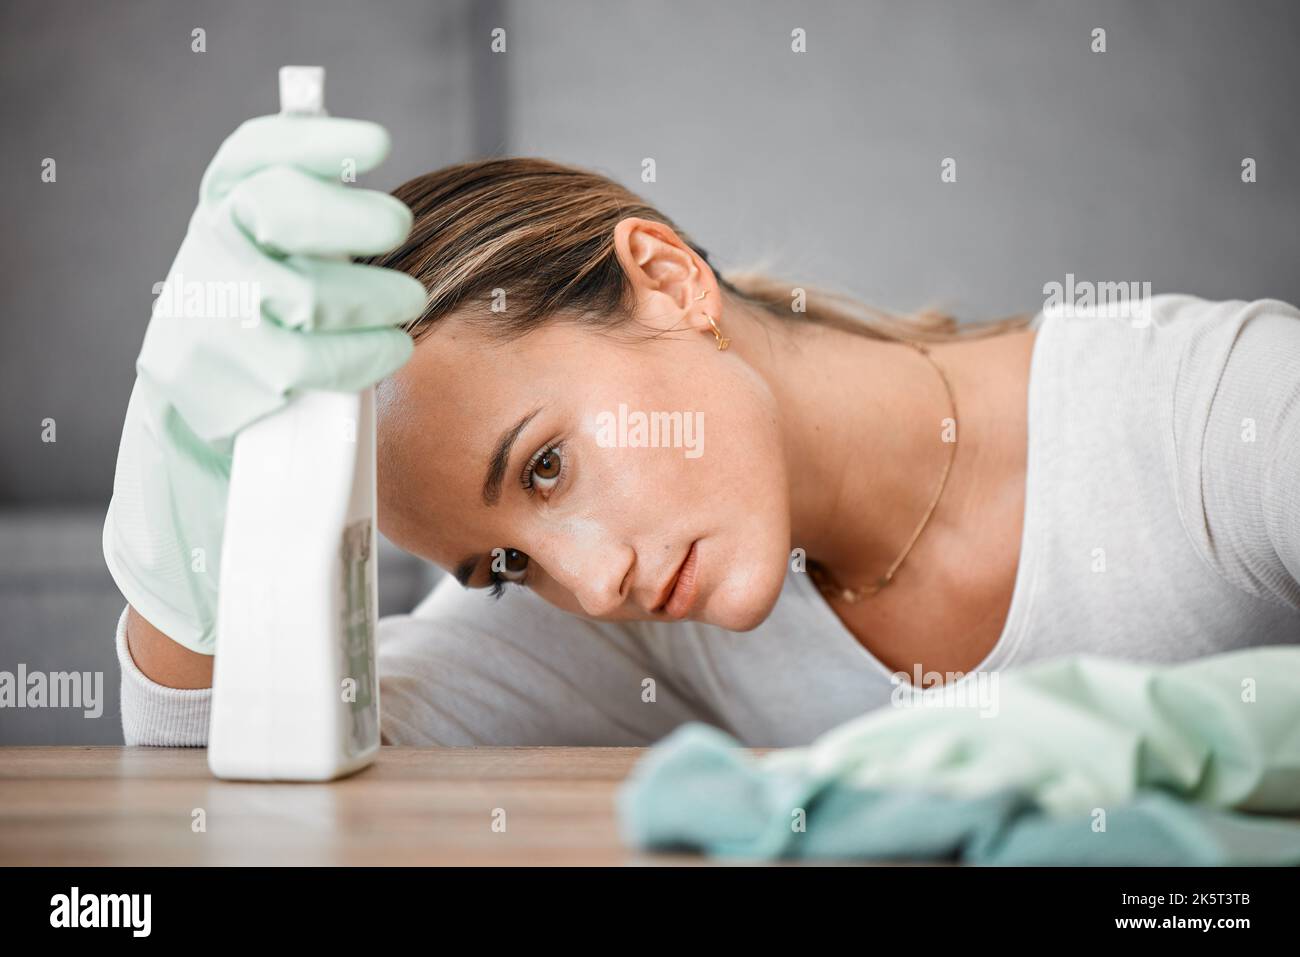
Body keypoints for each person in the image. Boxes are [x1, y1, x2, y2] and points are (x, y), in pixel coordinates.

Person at [104, 113, 1300, 749]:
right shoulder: (615, 631)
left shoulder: (1208, 410)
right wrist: (180, 502)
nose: (590, 577)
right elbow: (226, 796)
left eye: (549, 465)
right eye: (503, 567)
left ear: (668, 278)